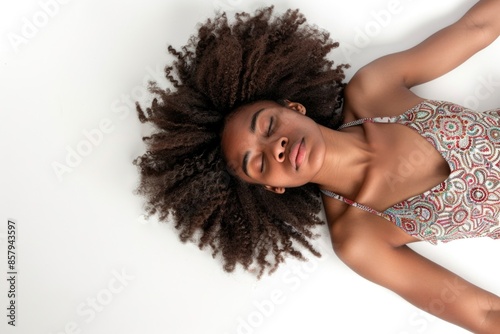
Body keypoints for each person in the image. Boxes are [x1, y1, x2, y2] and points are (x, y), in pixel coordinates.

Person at [134, 1, 500, 332]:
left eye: (268, 125)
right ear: (273, 186)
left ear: (294, 108)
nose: (275, 148)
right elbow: (482, 314)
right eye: (258, 163)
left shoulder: (373, 90)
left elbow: (477, 28)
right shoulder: (359, 239)